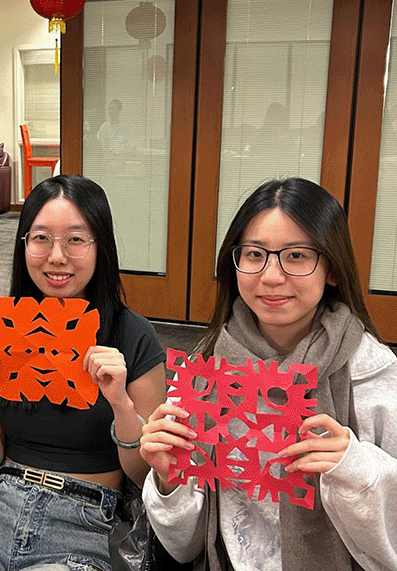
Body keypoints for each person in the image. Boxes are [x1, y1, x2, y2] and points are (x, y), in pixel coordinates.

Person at [140, 177, 397, 571]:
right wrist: (167, 479)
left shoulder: (372, 375)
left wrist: (353, 466)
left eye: (296, 256)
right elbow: (184, 547)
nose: (272, 276)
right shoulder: (206, 369)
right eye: (255, 254)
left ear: (332, 268)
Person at [0, 174, 166, 571]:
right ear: (24, 244)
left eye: (76, 239)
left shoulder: (132, 335)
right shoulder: (1, 328)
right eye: (40, 238)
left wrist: (121, 403)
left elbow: (144, 476)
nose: (57, 256)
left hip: (86, 520)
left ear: (100, 247)